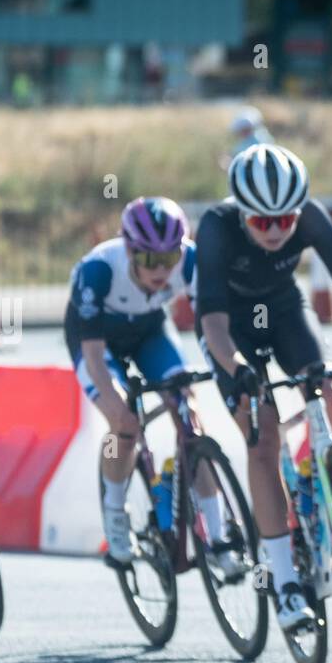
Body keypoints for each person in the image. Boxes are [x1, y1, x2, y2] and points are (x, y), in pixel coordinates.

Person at [195, 143, 332, 631]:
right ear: (243, 213)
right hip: (231, 331)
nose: (276, 230)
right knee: (263, 434)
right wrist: (240, 368)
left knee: (327, 386)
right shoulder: (216, 227)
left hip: (285, 311)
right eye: (262, 222)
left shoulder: (309, 217)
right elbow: (212, 324)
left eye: (285, 220)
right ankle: (285, 583)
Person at [63, 196, 230, 572]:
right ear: (129, 249)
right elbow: (92, 355)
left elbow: (212, 324)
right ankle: (115, 511)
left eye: (168, 259)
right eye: (150, 260)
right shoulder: (98, 272)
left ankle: (218, 535)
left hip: (150, 330)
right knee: (123, 423)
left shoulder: (190, 261)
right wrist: (116, 401)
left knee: (189, 413)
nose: (161, 270)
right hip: (97, 339)